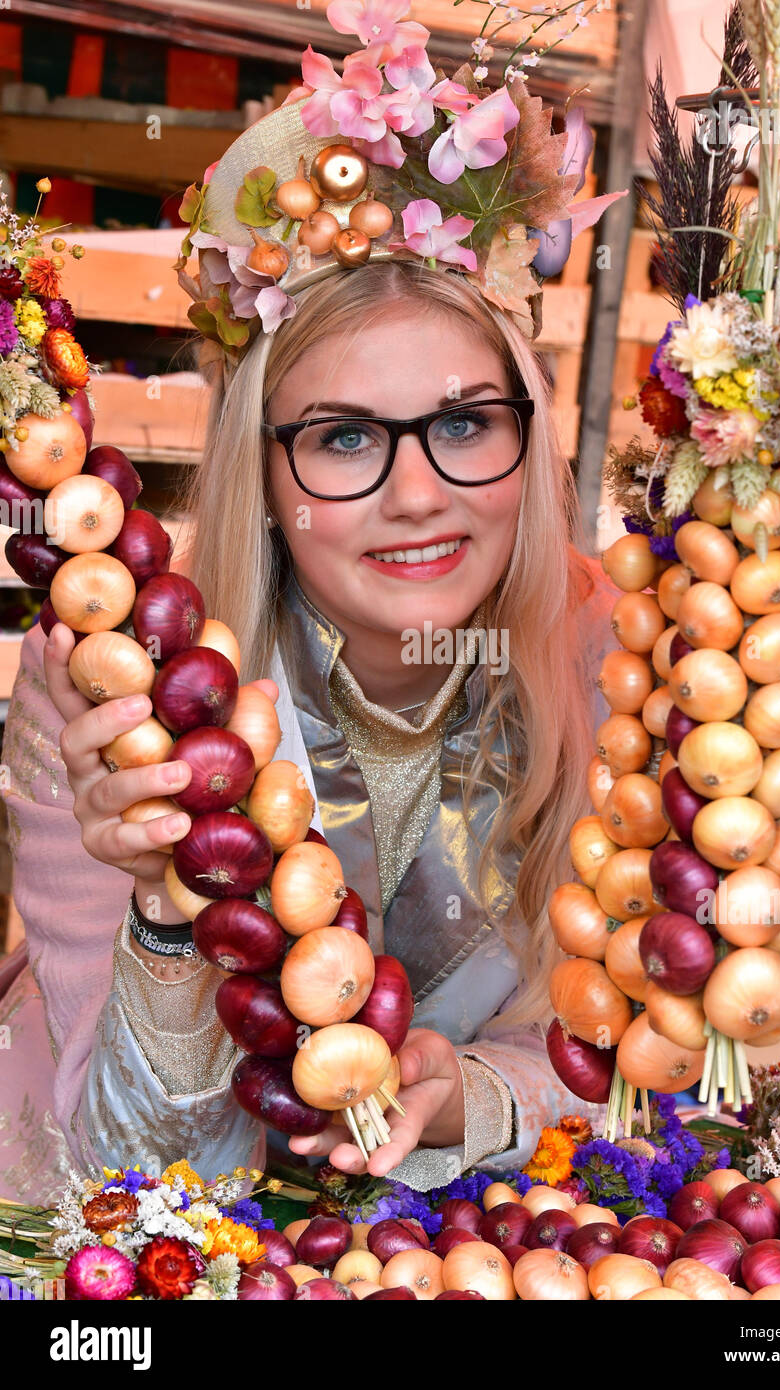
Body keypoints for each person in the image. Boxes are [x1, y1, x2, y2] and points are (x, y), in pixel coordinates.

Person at [0, 15, 623, 1202]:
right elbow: (132, 1162)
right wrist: (165, 912)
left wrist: (474, 1096)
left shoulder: (598, 647)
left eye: (461, 422)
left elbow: (594, 1041)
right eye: (343, 438)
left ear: (527, 428)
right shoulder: (107, 676)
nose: (418, 494)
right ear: (264, 471)